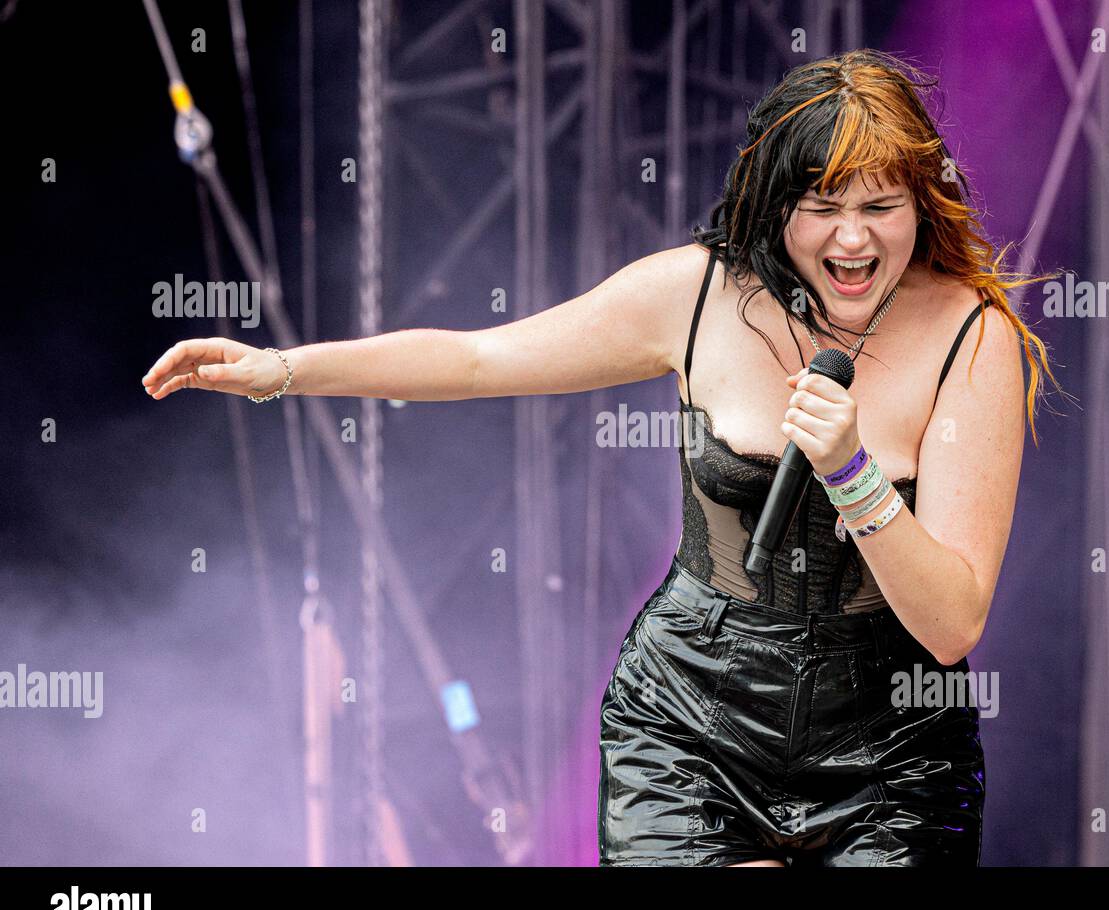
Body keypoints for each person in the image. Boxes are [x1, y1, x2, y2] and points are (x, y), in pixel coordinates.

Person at [142, 48, 1060, 867]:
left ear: (919, 202)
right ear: (776, 205)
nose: (852, 238)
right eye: (822, 205)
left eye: (879, 206)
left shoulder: (970, 340)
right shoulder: (697, 294)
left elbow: (951, 627)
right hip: (692, 719)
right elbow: (477, 358)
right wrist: (283, 370)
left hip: (890, 751)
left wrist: (855, 476)